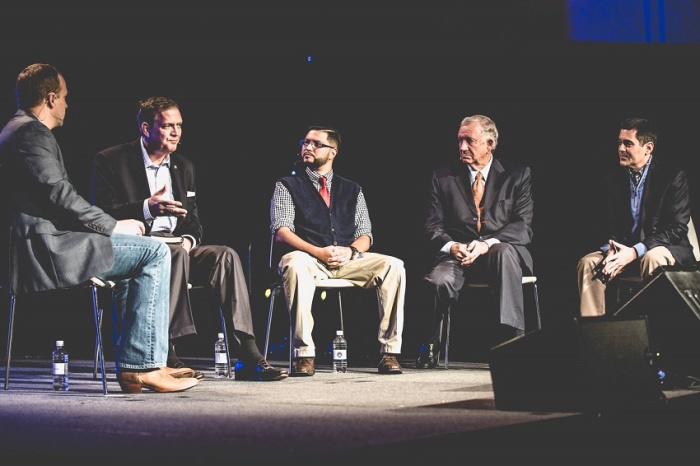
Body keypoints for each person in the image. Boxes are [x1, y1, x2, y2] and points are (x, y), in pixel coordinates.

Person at [0, 63, 199, 393]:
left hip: (38, 241)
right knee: (154, 251)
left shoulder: (13, 129)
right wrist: (112, 226)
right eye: (64, 97)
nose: (67, 104)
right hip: (41, 249)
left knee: (137, 259)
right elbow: (59, 194)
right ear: (50, 99)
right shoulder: (32, 133)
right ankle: (142, 366)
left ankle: (145, 361)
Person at [90, 96, 287, 382]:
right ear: (146, 128)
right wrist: (147, 208)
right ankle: (167, 352)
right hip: (138, 248)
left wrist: (189, 239)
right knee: (172, 254)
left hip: (176, 244)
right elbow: (101, 214)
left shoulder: (184, 166)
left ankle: (248, 353)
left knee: (225, 256)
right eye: (167, 126)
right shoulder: (111, 160)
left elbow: (193, 220)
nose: (176, 132)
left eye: (179, 125)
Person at [270, 125, 406, 376]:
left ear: (332, 152)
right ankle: (304, 354)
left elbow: (366, 234)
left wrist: (351, 252)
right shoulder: (287, 185)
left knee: (393, 265)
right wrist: (318, 252)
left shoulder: (352, 189)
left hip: (346, 260)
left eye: (316, 144)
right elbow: (282, 231)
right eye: (305, 142)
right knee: (295, 263)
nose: (307, 147)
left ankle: (389, 352)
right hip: (310, 258)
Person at [416, 114, 535, 369]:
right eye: (459, 140)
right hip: (457, 255)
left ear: (489, 143)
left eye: (469, 141)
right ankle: (431, 344)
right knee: (439, 281)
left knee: (503, 252)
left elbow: (523, 226)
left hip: (499, 255)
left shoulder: (516, 175)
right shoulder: (443, 177)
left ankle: (513, 345)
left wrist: (487, 243)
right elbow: (431, 226)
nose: (462, 147)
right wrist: (453, 246)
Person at [577, 117, 695, 316]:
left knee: (652, 257)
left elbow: (677, 228)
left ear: (648, 147)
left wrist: (635, 251)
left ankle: (654, 332)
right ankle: (595, 334)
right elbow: (610, 225)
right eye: (619, 142)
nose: (621, 149)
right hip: (627, 251)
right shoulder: (614, 179)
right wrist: (610, 250)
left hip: (664, 249)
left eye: (628, 143)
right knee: (587, 263)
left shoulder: (672, 177)